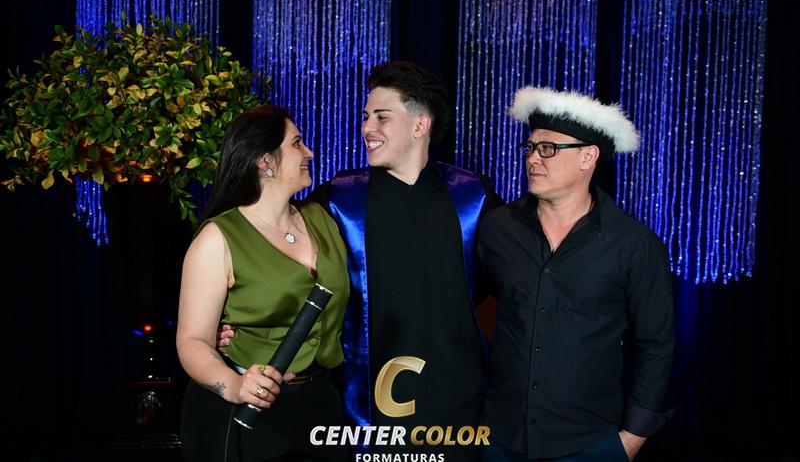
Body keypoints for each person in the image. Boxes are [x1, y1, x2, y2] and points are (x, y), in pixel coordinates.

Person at [220, 62, 499, 461]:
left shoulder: (472, 195)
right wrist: (232, 318)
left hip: (458, 403)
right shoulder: (339, 200)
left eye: (382, 117)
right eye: (366, 117)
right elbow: (272, 257)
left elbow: (511, 279)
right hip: (365, 403)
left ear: (421, 125)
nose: (367, 127)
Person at [477, 87, 675, 462]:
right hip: (499, 438)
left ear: (588, 157)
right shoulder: (498, 228)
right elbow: (461, 308)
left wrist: (632, 438)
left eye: (548, 149)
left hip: (589, 443)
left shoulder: (634, 244)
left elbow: (656, 345)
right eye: (530, 148)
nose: (533, 159)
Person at [176, 105, 350, 462]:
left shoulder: (322, 218)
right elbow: (192, 341)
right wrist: (236, 386)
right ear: (264, 161)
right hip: (251, 414)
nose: (309, 152)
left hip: (323, 405)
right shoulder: (218, 238)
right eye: (297, 143)